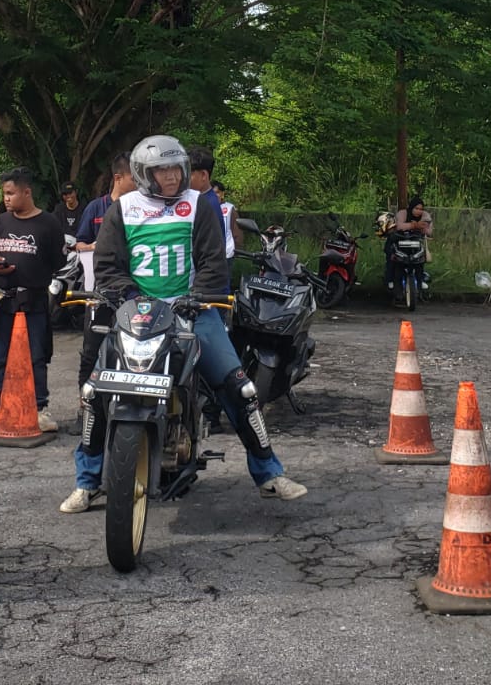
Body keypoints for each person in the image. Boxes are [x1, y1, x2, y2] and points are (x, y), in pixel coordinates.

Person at [59, 134, 306, 515]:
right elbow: (107, 265)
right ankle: (87, 482)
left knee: (241, 389)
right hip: (134, 315)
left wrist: (199, 296)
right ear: (144, 173)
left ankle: (268, 473)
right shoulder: (123, 209)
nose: (172, 177)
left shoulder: (197, 206)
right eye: (162, 170)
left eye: (176, 169)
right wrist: (128, 297)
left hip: (192, 311)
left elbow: (212, 261)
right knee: (95, 392)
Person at [0, 167, 65, 433]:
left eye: (11, 193)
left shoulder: (48, 224)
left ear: (27, 192)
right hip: (3, 300)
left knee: (37, 354)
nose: (7, 198)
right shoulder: (0, 223)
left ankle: (40, 408)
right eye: (4, 193)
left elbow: (58, 262)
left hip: (34, 300)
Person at [72, 154, 135, 391]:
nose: (139, 182)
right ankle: (85, 405)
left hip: (133, 292)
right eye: (134, 177)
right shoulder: (96, 207)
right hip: (100, 293)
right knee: (91, 350)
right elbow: (79, 243)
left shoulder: (142, 210)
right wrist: (94, 247)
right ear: (118, 178)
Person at [187, 146, 235, 260]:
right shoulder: (203, 199)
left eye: (188, 173)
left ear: (203, 175)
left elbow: (211, 253)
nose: (182, 178)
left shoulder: (206, 205)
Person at [384, 195, 433, 295]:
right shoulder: (402, 213)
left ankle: (420, 280)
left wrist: (423, 228)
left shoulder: (425, 216)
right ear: (411, 207)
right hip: (399, 241)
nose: (418, 211)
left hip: (415, 243)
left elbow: (429, 231)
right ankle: (390, 280)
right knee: (393, 258)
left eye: (421, 209)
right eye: (416, 208)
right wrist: (414, 225)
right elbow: (398, 226)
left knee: (420, 260)